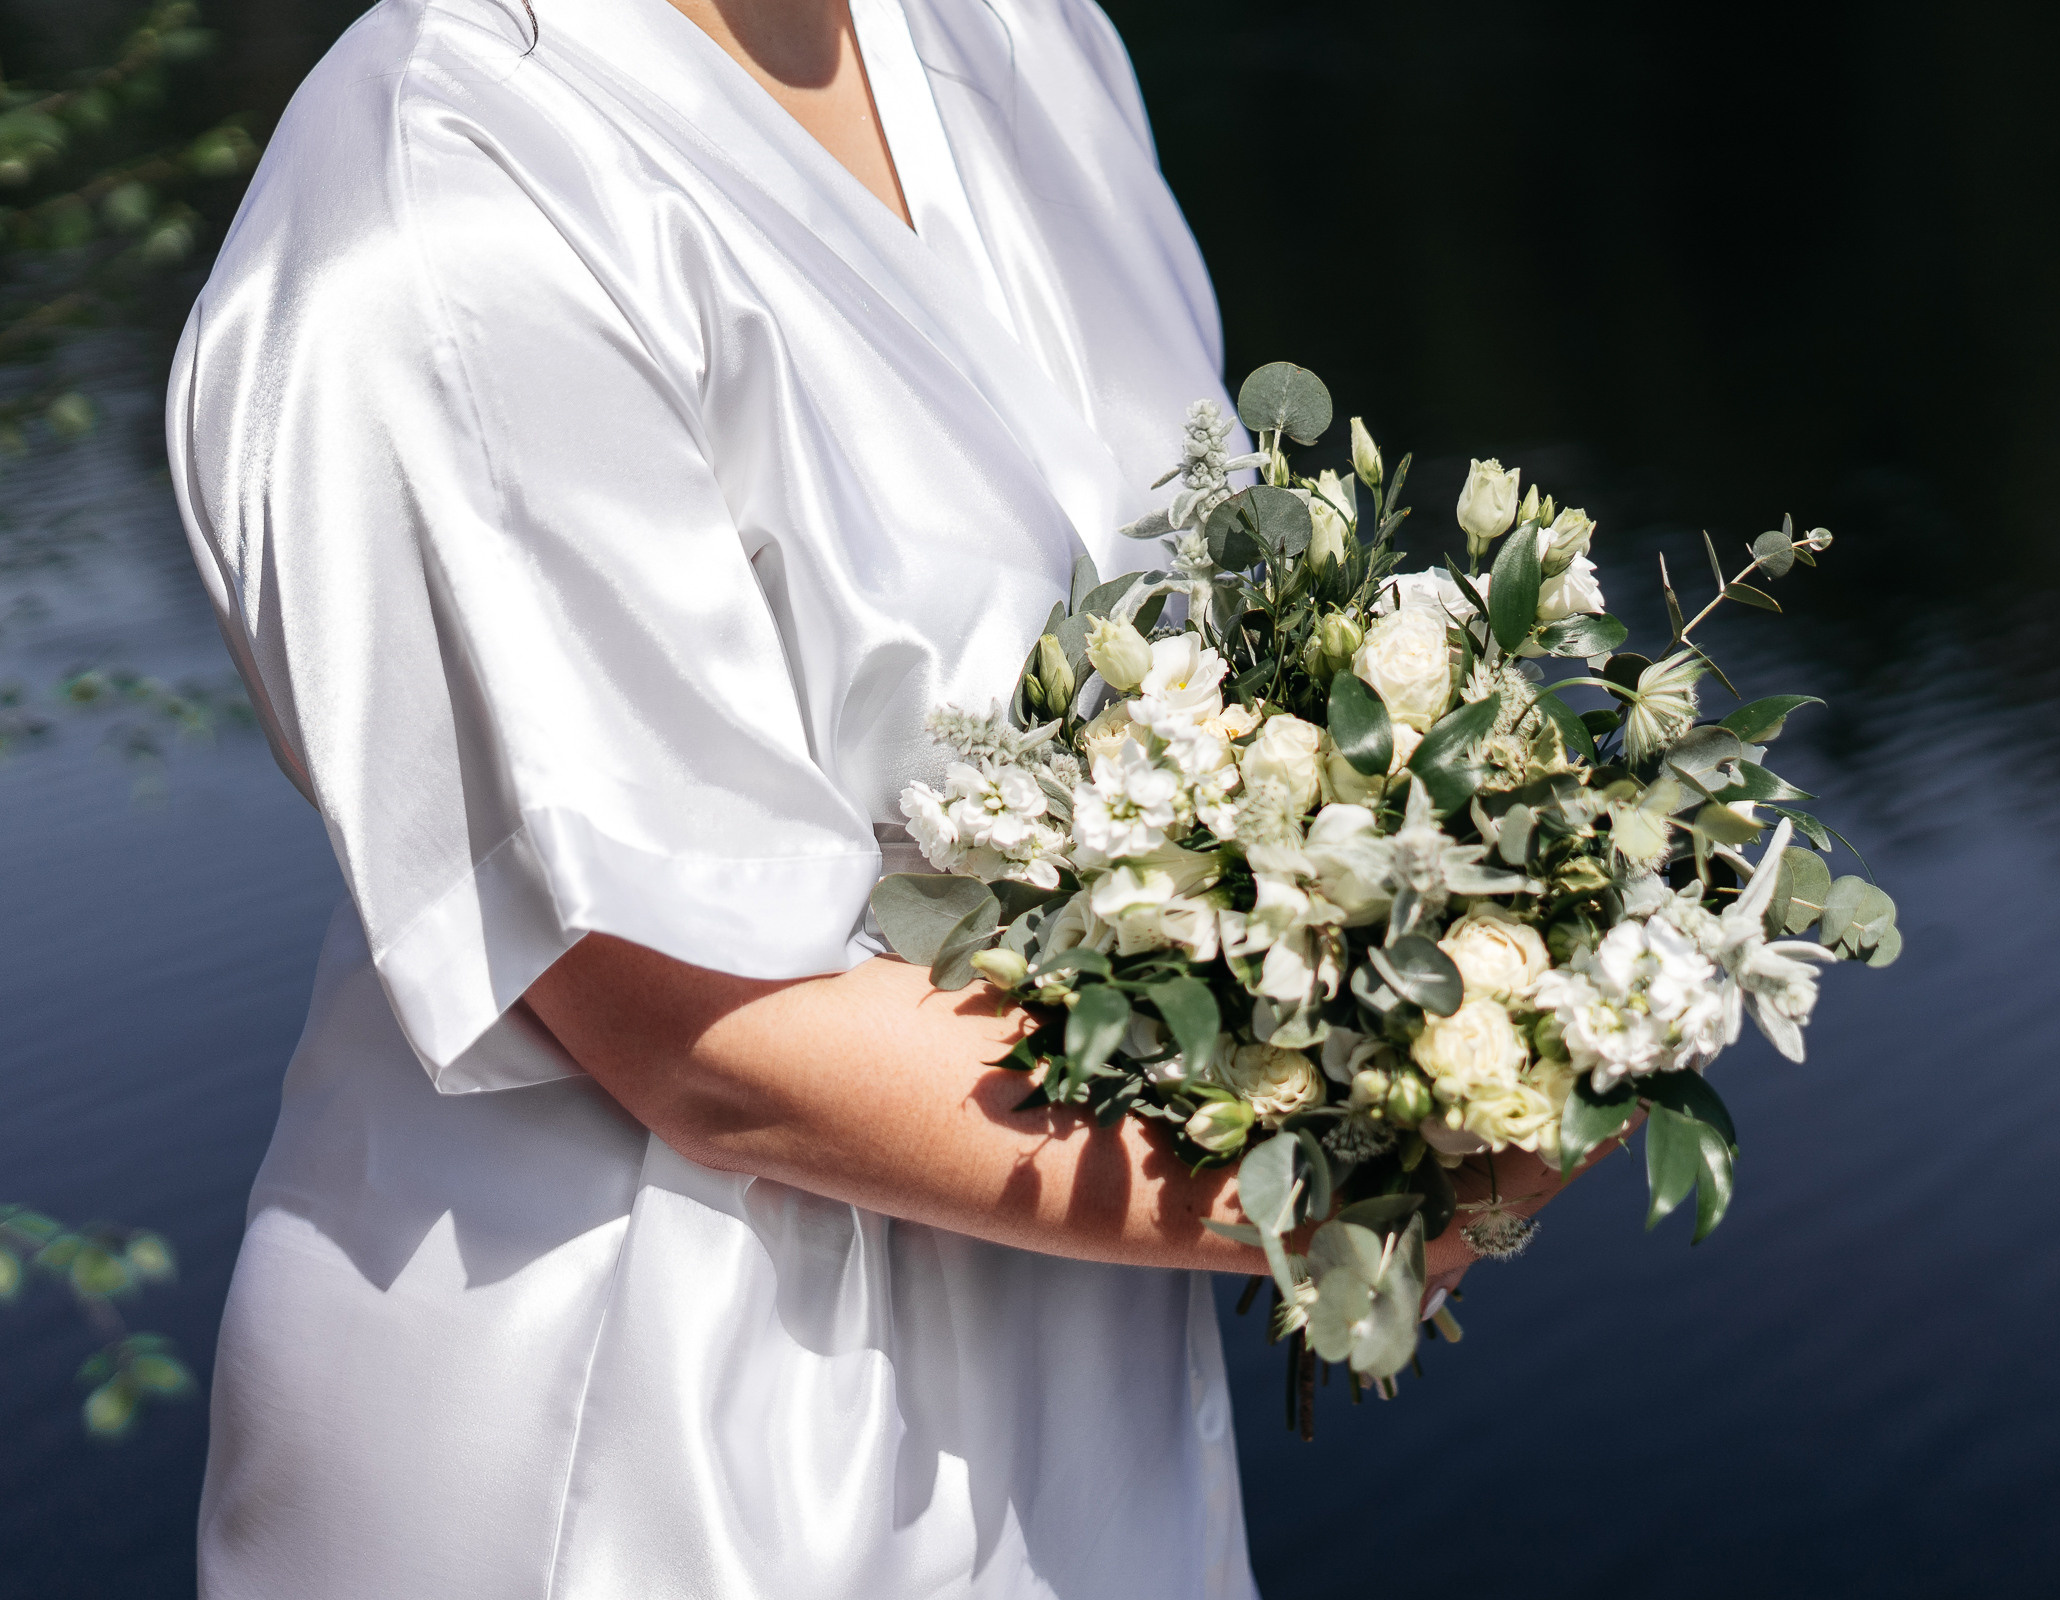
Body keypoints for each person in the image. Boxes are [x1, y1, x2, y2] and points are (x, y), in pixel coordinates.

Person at [170, 0, 1592, 1593]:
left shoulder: (1027, 37)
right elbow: (708, 1033)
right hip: (659, 1429)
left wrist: (1484, 968)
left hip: (1077, 1361)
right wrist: (1368, 1159)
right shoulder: (446, 194)